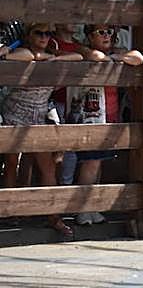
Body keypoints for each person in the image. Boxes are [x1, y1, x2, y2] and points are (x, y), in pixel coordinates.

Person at [2, 23, 85, 240]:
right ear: (29, 35)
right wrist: (38, 57)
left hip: (38, 114)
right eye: (39, 33)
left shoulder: (52, 54)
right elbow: (13, 57)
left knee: (47, 166)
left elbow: (77, 57)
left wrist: (55, 58)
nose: (44, 37)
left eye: (48, 34)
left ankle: (53, 216)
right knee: (11, 163)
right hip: (15, 110)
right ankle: (9, 213)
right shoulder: (22, 52)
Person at [69, 24, 143, 225]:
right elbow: (96, 57)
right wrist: (113, 59)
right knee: (90, 163)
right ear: (90, 36)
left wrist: (115, 58)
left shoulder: (115, 52)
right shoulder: (84, 50)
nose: (106, 36)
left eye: (109, 32)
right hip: (90, 115)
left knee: (99, 163)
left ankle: (93, 208)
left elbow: (138, 58)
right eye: (101, 32)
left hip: (109, 114)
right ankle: (83, 209)